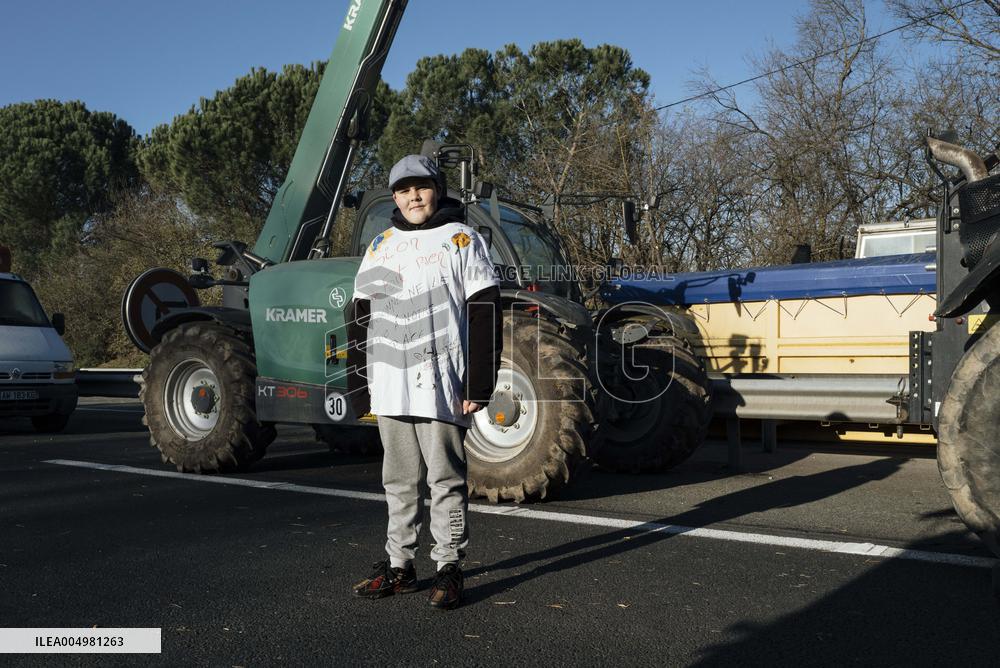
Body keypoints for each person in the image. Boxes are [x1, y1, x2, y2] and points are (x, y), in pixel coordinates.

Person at [345, 154, 502, 609]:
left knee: (445, 479)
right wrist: (358, 385)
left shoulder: (462, 239)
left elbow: (485, 311)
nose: (413, 196)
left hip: (443, 383)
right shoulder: (381, 245)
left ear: (438, 189)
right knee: (398, 480)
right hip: (390, 382)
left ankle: (449, 567)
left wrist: (479, 382)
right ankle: (399, 567)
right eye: (402, 189)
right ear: (393, 196)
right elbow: (359, 318)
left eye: (422, 186)